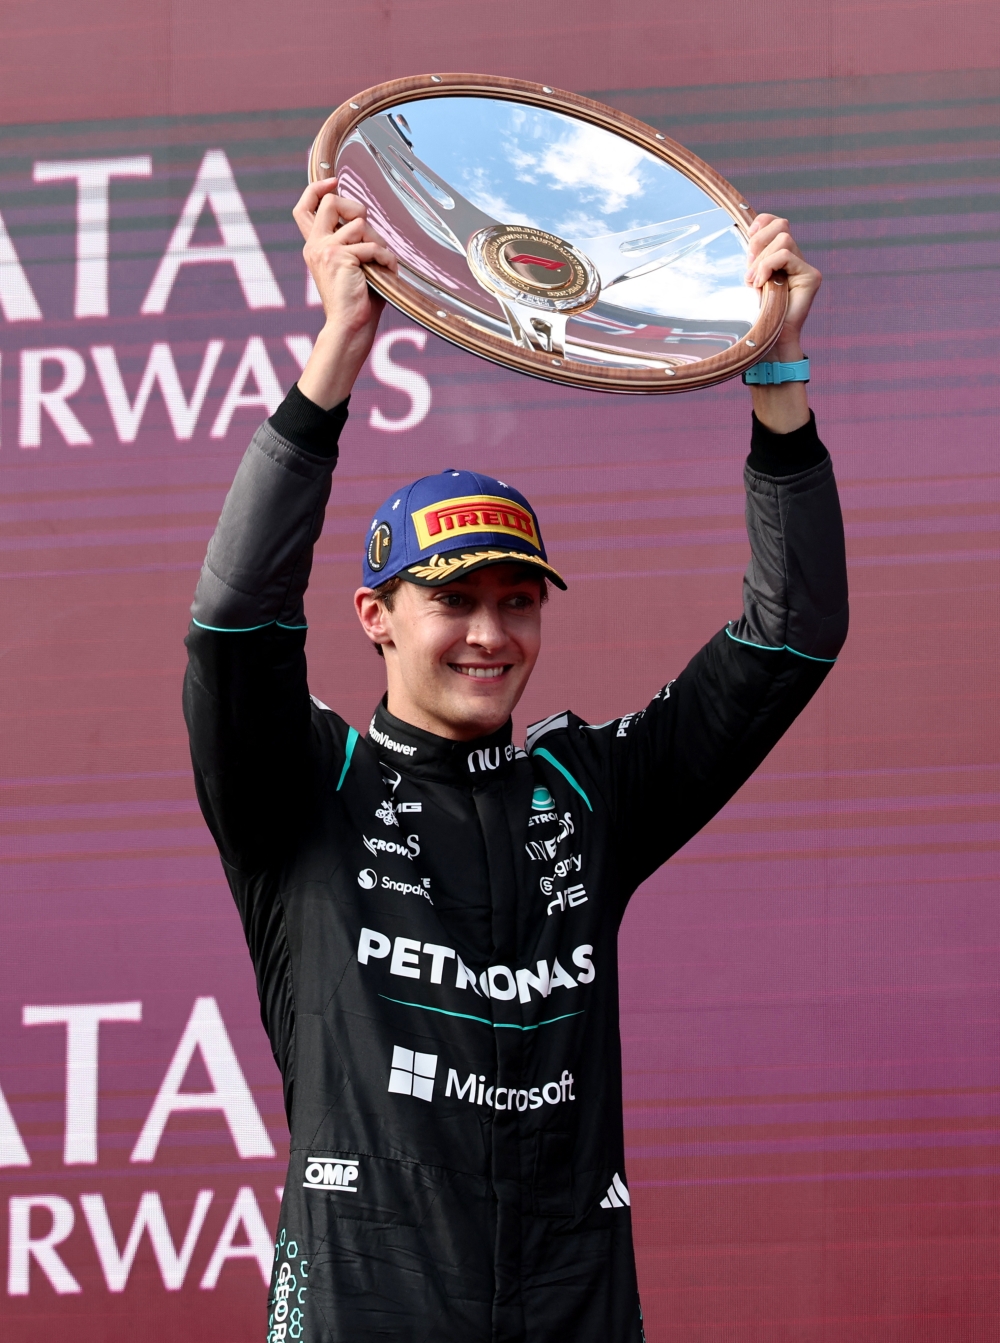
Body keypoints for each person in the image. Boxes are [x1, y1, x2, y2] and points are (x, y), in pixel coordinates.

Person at [183, 178, 848, 1343]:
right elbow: (235, 621)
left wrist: (777, 377)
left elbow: (790, 634)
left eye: (518, 600)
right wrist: (335, 356)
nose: (491, 634)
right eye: (453, 602)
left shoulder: (587, 791)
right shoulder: (301, 787)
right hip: (365, 1298)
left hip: (569, 1297)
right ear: (374, 614)